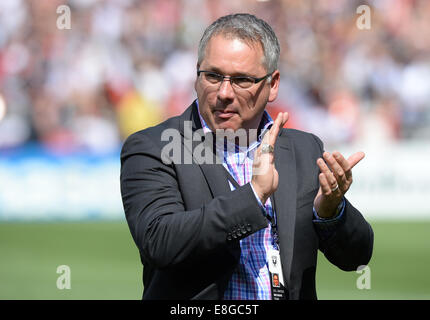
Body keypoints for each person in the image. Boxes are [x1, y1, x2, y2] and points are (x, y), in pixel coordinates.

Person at [120, 13, 373, 300]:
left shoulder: (304, 150)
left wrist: (330, 212)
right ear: (196, 76)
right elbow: (160, 242)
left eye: (241, 80)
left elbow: (357, 257)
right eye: (213, 76)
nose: (224, 92)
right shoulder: (155, 147)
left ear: (273, 84)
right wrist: (253, 196)